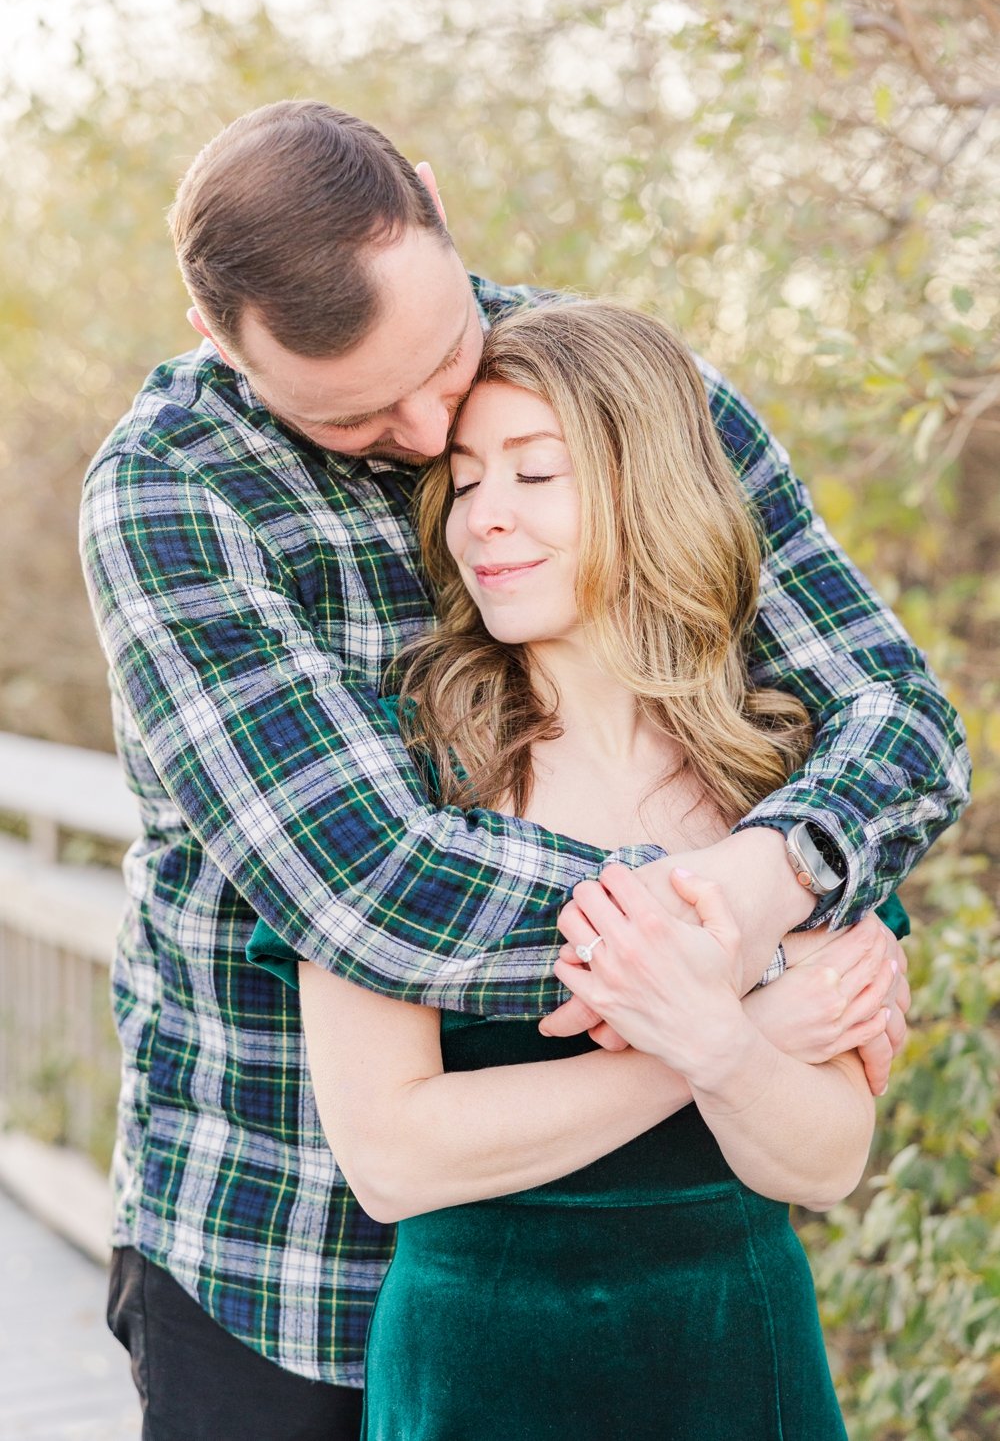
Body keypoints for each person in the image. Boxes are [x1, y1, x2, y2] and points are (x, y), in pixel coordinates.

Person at [79, 100, 968, 1440]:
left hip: (653, 1290)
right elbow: (377, 890)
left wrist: (776, 868)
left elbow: (896, 718)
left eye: (444, 358)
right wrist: (726, 977)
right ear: (222, 341)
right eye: (360, 418)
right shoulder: (171, 498)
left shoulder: (625, 398)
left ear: (434, 201)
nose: (439, 435)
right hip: (285, 1244)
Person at [269, 299, 894, 1438]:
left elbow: (826, 1158)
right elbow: (392, 1158)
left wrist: (717, 1038)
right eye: (463, 482)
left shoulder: (783, 781)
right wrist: (713, 1040)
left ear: (646, 487)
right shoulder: (398, 768)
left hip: (738, 1353)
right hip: (482, 1369)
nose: (482, 520)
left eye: (534, 475)